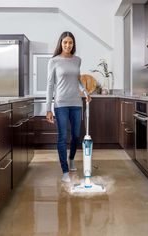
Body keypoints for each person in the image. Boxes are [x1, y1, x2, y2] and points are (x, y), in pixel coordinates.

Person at [46, 31, 91, 183]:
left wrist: (85, 92)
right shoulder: (54, 61)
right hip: (61, 104)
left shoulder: (77, 60)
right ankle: (65, 170)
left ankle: (71, 159)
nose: (67, 45)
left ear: (73, 44)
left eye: (70, 43)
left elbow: (77, 79)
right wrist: (48, 108)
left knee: (76, 135)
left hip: (76, 103)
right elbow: (50, 85)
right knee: (62, 137)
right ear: (61, 43)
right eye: (65, 42)